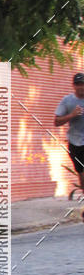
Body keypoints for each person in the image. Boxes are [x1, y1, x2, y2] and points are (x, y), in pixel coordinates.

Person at [55, 72, 84, 200]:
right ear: (74, 86)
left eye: (83, 84)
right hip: (75, 142)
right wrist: (72, 115)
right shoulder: (67, 100)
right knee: (82, 174)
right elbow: (56, 121)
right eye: (78, 84)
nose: (81, 87)